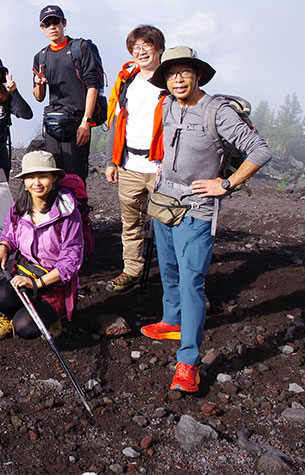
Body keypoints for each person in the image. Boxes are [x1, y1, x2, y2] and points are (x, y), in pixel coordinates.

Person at [140, 47, 271, 392]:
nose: (177, 79)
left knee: (190, 281)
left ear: (198, 75)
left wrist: (225, 183)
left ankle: (188, 362)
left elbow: (260, 150)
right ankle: (172, 321)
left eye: (184, 72)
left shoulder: (217, 111)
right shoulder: (168, 104)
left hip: (198, 208)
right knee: (167, 269)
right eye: (171, 74)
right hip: (165, 200)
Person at [0, 151, 84, 341]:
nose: (36, 183)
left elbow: (70, 262)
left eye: (43, 176)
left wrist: (37, 284)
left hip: (55, 284)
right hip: (25, 273)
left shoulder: (68, 214)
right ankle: (12, 315)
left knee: (25, 327)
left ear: (54, 178)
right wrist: (2, 248)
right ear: (24, 181)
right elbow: (10, 235)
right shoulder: (19, 208)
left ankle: (53, 317)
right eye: (30, 177)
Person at [103, 26, 166, 293]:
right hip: (129, 165)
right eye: (135, 48)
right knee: (131, 224)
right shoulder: (127, 80)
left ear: (159, 48)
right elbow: (117, 123)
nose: (140, 52)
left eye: (146, 46)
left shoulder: (170, 83)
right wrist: (111, 161)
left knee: (169, 227)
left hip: (162, 167)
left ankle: (174, 281)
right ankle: (131, 270)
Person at [32, 5, 103, 182]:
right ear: (42, 28)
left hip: (77, 123)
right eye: (47, 24)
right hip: (53, 124)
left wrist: (86, 121)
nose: (52, 27)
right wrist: (40, 84)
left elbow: (92, 85)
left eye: (55, 22)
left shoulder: (80, 48)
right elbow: (39, 97)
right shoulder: (41, 57)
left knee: (75, 179)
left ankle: (78, 210)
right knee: (53, 177)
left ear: (64, 23)